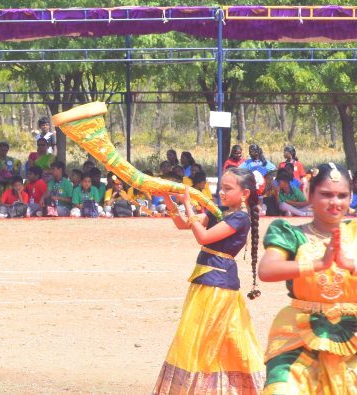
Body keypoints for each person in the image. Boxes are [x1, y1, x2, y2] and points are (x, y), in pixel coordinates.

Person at [153, 167, 265, 393]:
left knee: (205, 337)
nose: (222, 192)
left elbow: (202, 237)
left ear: (244, 194)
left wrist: (187, 203)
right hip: (205, 281)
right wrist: (167, 198)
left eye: (228, 188)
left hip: (218, 286)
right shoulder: (219, 211)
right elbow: (183, 225)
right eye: (221, 187)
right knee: (209, 337)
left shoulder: (240, 218)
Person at [258, 163, 357, 393]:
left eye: (342, 195)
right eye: (326, 194)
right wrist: (319, 264)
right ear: (310, 195)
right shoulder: (291, 233)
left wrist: (350, 264)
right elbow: (267, 269)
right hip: (298, 334)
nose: (335, 202)